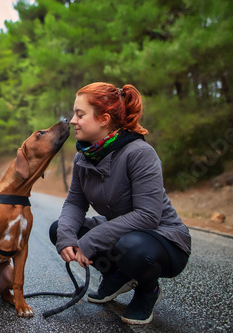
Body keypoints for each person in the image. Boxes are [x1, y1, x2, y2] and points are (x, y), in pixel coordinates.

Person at [49, 82, 191, 325]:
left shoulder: (139, 153)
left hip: (163, 239)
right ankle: (116, 274)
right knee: (59, 228)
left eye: (80, 114)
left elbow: (148, 216)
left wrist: (90, 241)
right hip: (124, 233)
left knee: (132, 247)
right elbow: (75, 202)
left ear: (104, 119)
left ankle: (148, 291)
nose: (73, 120)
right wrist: (66, 237)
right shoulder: (84, 155)